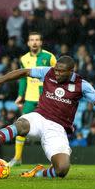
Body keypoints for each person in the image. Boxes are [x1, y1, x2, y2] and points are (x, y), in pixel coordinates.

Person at [0, 56, 95, 178]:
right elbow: (24, 72)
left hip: (57, 128)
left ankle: (37, 173)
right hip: (39, 117)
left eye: (61, 71)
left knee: (62, 169)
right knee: (22, 124)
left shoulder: (82, 85)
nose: (56, 73)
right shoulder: (48, 72)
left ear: (71, 71)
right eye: (56, 70)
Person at [9, 32, 56, 167]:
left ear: (41, 42)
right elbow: (23, 78)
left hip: (46, 98)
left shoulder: (49, 57)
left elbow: (58, 74)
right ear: (28, 43)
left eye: (37, 40)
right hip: (29, 98)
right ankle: (17, 158)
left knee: (50, 128)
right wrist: (20, 95)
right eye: (32, 40)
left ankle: (54, 159)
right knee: (21, 125)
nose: (34, 42)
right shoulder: (24, 58)